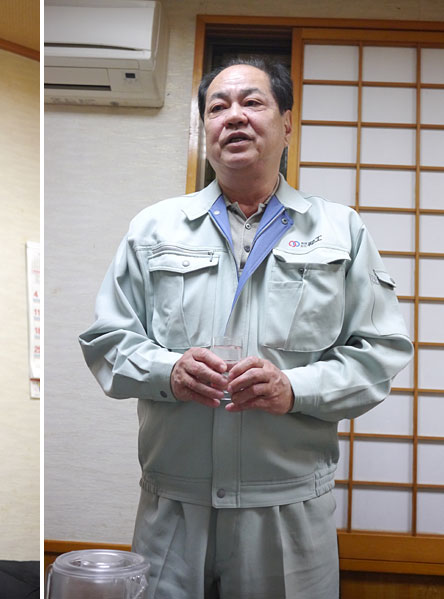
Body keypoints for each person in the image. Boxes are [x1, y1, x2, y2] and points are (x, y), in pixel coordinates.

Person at [79, 57, 413, 599]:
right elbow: (106, 341)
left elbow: (380, 351)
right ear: (205, 130)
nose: (234, 116)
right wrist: (169, 370)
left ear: (287, 123)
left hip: (286, 508)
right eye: (218, 107)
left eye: (252, 102)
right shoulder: (154, 227)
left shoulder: (340, 229)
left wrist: (294, 388)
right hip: (173, 506)